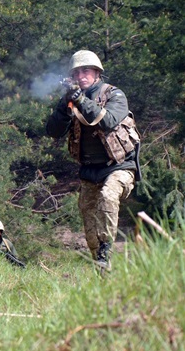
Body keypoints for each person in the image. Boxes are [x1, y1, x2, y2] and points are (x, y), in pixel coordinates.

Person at [46, 50, 140, 272]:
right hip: (90, 172)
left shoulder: (115, 95)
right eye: (76, 73)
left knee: (108, 196)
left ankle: (107, 248)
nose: (81, 76)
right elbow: (53, 131)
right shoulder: (72, 99)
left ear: (97, 73)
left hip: (119, 167)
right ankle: (101, 266)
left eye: (85, 71)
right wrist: (65, 104)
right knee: (89, 225)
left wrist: (79, 98)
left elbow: (106, 121)